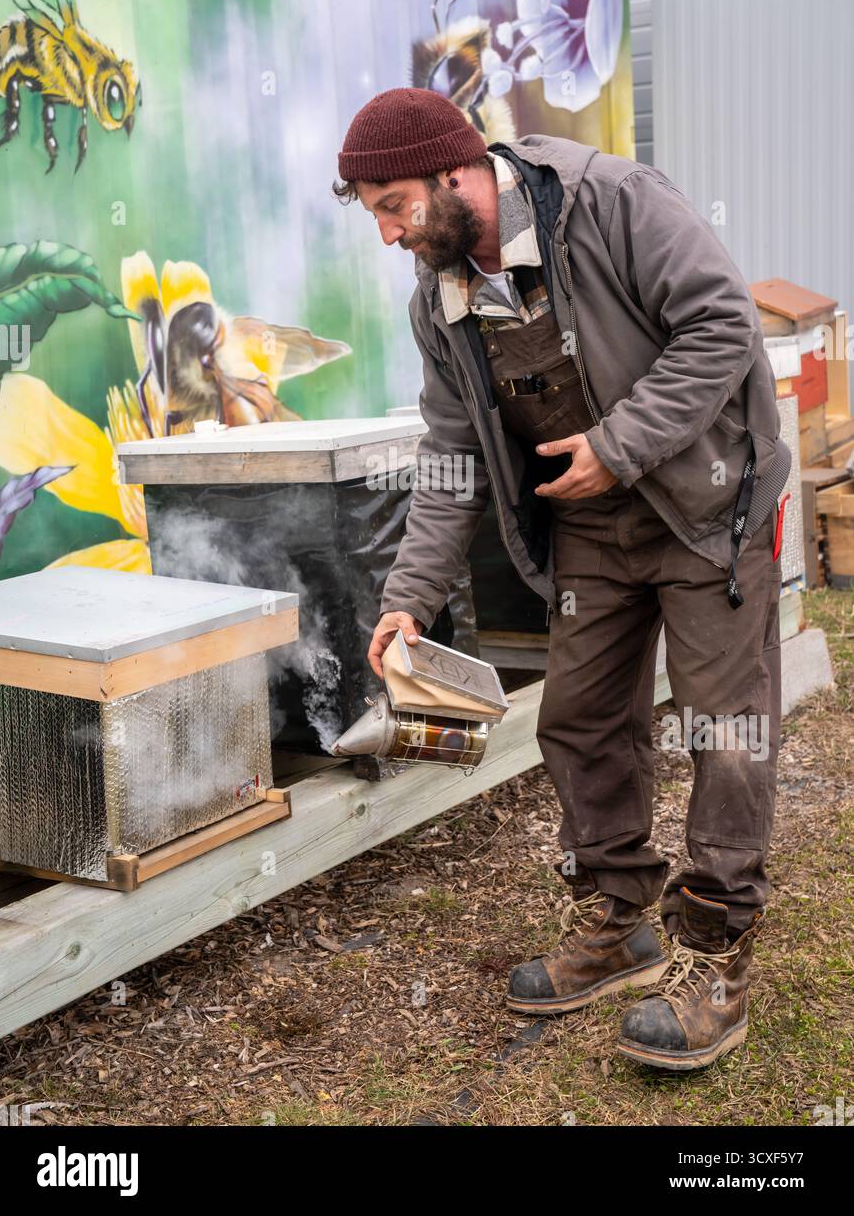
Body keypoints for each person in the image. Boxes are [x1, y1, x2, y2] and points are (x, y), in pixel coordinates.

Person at [333, 87, 790, 1072]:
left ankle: (714, 957)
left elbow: (722, 326)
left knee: (726, 724)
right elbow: (452, 454)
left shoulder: (615, 201)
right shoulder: (441, 301)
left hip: (707, 499)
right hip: (591, 523)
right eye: (371, 211)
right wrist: (409, 596)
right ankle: (618, 916)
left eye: (394, 205)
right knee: (577, 718)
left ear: (456, 175)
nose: (386, 234)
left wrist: (620, 445)